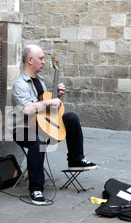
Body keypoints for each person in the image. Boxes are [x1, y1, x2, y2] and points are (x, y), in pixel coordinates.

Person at [11, 44, 97, 205]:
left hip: (42, 123)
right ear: (30, 60)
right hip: (23, 128)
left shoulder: (40, 81)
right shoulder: (20, 84)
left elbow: (46, 109)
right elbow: (27, 109)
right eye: (41, 58)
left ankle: (76, 159)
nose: (43, 62)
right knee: (38, 140)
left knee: (71, 118)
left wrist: (57, 97)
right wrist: (50, 101)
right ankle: (36, 189)